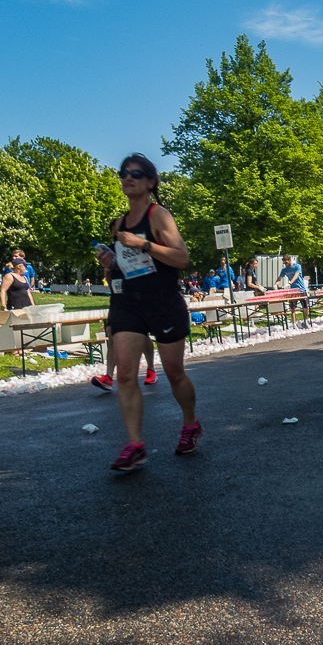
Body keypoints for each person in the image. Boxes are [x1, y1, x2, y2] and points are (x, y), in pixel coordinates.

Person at [94, 153, 201, 471]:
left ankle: (190, 424)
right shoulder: (117, 225)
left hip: (163, 302)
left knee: (173, 372)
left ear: (151, 182)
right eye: (123, 172)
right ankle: (135, 445)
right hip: (128, 303)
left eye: (137, 173)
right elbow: (123, 269)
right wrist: (111, 264)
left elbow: (181, 258)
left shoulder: (158, 216)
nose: (128, 177)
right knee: (126, 373)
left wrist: (143, 245)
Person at [278, 254, 309, 326]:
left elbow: (296, 276)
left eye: (286, 262)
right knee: (293, 308)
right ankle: (294, 324)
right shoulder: (284, 269)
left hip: (301, 289)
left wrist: (289, 283)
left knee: (306, 307)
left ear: (289, 260)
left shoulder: (297, 266)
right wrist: (276, 284)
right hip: (293, 291)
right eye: (284, 263)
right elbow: (280, 277)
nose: (285, 264)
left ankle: (306, 321)